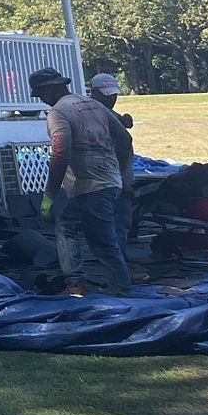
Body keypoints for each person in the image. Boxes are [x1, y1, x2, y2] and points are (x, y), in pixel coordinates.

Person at [31, 67, 133, 295]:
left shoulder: (58, 113)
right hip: (110, 181)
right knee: (68, 226)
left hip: (89, 186)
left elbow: (60, 154)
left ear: (50, 90)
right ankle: (78, 282)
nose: (43, 101)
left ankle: (122, 292)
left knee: (102, 243)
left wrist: (49, 195)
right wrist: (119, 170)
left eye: (41, 95)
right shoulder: (92, 105)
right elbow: (124, 139)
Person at [87, 72, 137, 275]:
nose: (111, 98)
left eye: (113, 94)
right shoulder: (91, 114)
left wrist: (123, 119)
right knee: (112, 226)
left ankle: (120, 264)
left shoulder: (108, 113)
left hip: (119, 178)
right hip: (110, 179)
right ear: (94, 93)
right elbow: (116, 148)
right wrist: (122, 181)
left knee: (120, 224)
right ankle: (118, 270)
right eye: (106, 95)